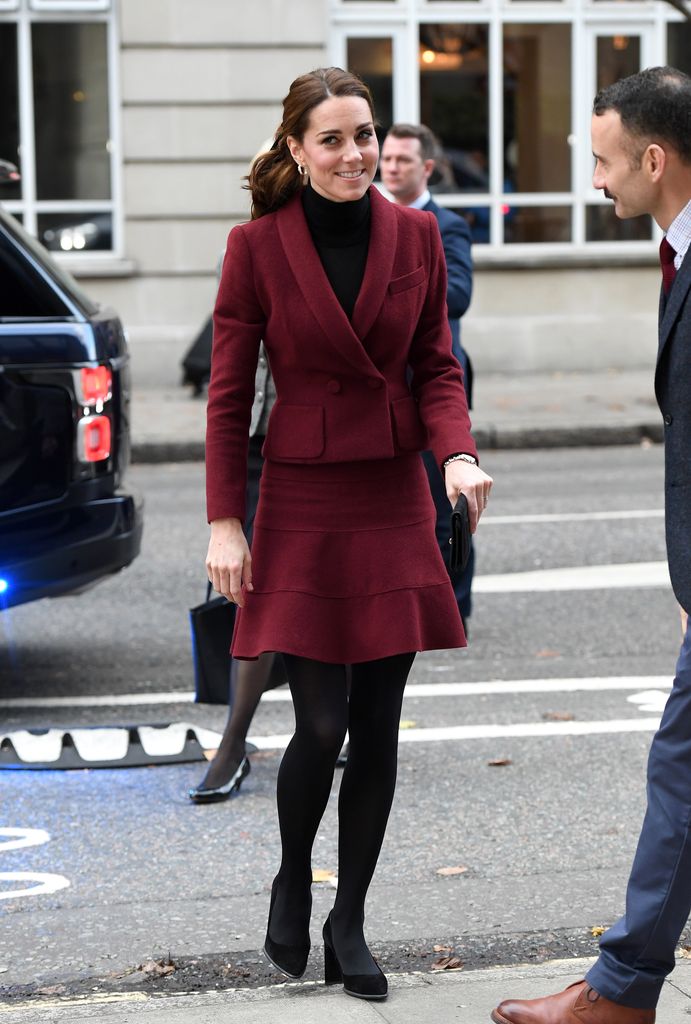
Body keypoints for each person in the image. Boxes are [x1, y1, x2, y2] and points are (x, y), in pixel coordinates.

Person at [205, 67, 492, 1001]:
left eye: (363, 135)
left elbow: (435, 366)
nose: (354, 154)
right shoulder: (254, 247)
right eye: (331, 139)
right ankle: (294, 874)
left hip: (392, 493)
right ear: (296, 148)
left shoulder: (412, 234)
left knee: (377, 729)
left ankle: (351, 920)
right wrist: (223, 522)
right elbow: (225, 397)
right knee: (318, 720)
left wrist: (453, 454)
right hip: (301, 498)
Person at [491, 66, 691, 1024]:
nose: (595, 182)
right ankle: (622, 986)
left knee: (681, 768)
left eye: (606, 161)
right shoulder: (677, 253)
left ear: (654, 158)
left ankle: (619, 992)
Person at [380, 123, 475, 630]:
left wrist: (398, 290)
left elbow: (458, 295)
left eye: (403, 161)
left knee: (449, 508)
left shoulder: (446, 225)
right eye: (387, 158)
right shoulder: (368, 221)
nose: (391, 167)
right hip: (388, 389)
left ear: (427, 169)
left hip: (436, 384)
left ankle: (456, 605)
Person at [189, 343, 283, 802]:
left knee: (335, 578)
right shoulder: (239, 264)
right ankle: (233, 741)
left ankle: (339, 719)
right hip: (252, 434)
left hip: (323, 435)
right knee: (250, 587)